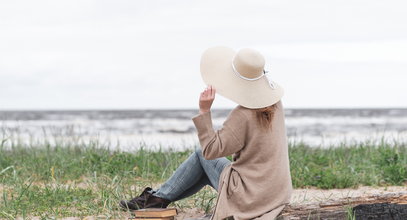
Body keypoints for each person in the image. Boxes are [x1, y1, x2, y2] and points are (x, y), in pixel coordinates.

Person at [120, 47, 292, 220]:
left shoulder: (242, 115)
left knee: (201, 154)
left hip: (249, 196)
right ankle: (157, 199)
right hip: (275, 192)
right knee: (205, 166)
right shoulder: (276, 103)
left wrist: (204, 111)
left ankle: (155, 199)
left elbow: (210, 151)